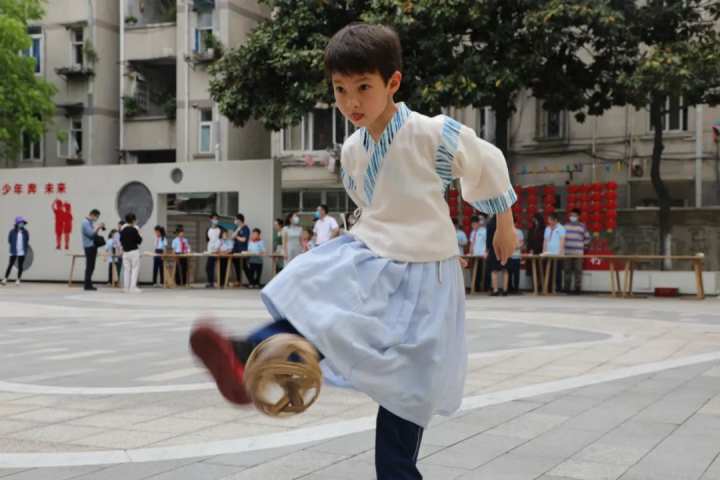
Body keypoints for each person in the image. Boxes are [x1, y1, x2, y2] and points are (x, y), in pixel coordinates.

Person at [189, 23, 516, 480]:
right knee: (317, 292)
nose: (352, 102)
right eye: (341, 90)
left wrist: (505, 221)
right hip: (377, 257)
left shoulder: (431, 134)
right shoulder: (353, 151)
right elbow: (371, 205)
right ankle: (244, 354)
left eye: (364, 87)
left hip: (426, 275)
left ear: (392, 83)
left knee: (406, 394)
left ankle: (396, 471)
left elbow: (488, 159)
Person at [564, 208, 591, 294]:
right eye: (571, 215)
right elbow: (562, 238)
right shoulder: (565, 226)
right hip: (567, 252)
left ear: (578, 216)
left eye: (574, 216)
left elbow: (587, 238)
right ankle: (566, 288)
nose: (572, 217)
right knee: (567, 270)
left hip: (578, 252)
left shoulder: (582, 226)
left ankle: (577, 289)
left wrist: (582, 247)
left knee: (578, 270)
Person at [81, 209, 105, 291]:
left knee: (91, 266)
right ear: (92, 215)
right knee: (89, 266)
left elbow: (93, 233)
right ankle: (87, 285)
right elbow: (91, 234)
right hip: (89, 246)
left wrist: (98, 228)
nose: (96, 219)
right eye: (96, 217)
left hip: (92, 246)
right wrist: (98, 227)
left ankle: (88, 284)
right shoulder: (85, 222)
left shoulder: (89, 223)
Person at [485, 216, 509, 296]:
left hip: (493, 248)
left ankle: (495, 290)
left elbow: (488, 239)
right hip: (504, 247)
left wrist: (487, 249)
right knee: (505, 269)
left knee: (494, 270)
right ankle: (505, 290)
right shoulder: (505, 222)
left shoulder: (490, 223)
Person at [2, 217, 30, 286]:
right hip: (13, 251)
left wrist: (24, 249)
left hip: (22, 252)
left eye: (23, 223)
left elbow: (27, 240)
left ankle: (18, 279)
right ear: (17, 223)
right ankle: (5, 279)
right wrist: (14, 247)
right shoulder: (12, 231)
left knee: (20, 266)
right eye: (21, 223)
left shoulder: (25, 232)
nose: (22, 224)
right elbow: (9, 240)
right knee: (10, 265)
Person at [543, 212, 566, 292]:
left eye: (550, 220)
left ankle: (558, 288)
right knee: (548, 270)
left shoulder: (561, 228)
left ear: (555, 220)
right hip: (548, 253)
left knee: (557, 271)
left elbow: (562, 241)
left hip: (557, 254)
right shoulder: (547, 228)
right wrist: (544, 252)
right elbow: (545, 241)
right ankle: (548, 288)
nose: (548, 221)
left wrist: (560, 252)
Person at [119, 213, 143, 293]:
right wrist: (139, 233)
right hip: (134, 251)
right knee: (135, 269)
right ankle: (133, 288)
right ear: (133, 220)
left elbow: (121, 241)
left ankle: (126, 288)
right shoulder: (134, 229)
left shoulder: (123, 230)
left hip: (125, 252)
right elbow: (139, 241)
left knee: (126, 270)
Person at [526, 213, 546, 290]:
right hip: (532, 251)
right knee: (533, 269)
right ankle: (534, 286)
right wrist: (530, 249)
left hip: (541, 251)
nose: (534, 221)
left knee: (541, 269)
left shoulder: (544, 229)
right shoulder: (532, 229)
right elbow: (529, 241)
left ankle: (541, 286)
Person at [468, 214, 487, 291]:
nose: (473, 226)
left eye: (474, 224)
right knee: (474, 271)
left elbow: (487, 242)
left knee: (481, 272)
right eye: (472, 225)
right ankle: (475, 287)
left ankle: (482, 287)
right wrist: (470, 251)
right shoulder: (473, 232)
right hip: (474, 254)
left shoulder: (484, 231)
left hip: (482, 255)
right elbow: (472, 243)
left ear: (478, 223)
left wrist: (486, 252)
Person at [231, 214, 250, 286]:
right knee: (236, 266)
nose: (234, 221)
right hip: (235, 249)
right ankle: (238, 281)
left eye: (235, 219)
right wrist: (237, 230)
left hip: (242, 250)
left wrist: (237, 236)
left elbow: (244, 239)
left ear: (239, 220)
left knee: (244, 266)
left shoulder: (246, 228)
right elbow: (232, 237)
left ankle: (251, 281)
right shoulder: (236, 228)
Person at [205, 212, 222, 288]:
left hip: (218, 250)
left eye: (217, 219)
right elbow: (208, 240)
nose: (215, 220)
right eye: (214, 219)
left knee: (212, 266)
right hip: (210, 250)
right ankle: (210, 282)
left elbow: (222, 240)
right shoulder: (208, 229)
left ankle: (213, 282)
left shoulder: (220, 229)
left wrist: (218, 248)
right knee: (209, 267)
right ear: (210, 219)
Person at [508, 222, 525, 293]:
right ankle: (509, 288)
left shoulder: (519, 232)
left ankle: (516, 288)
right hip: (509, 255)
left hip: (517, 255)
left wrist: (516, 247)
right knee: (509, 273)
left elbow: (522, 243)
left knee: (516, 273)